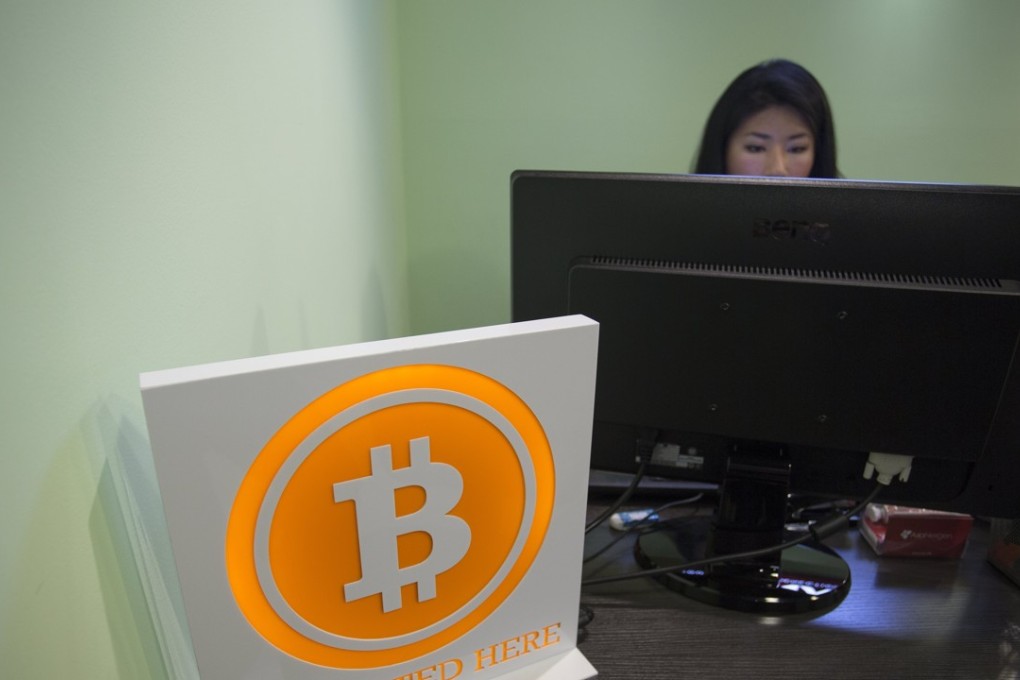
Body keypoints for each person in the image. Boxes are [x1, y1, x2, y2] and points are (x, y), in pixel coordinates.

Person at [693, 59, 840, 178]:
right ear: (722, 150)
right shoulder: (679, 213)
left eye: (797, 149)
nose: (777, 170)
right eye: (755, 148)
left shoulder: (852, 213)